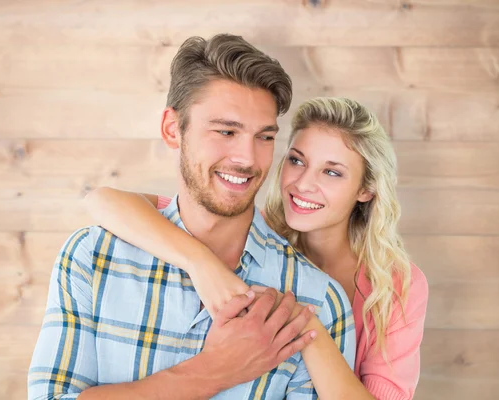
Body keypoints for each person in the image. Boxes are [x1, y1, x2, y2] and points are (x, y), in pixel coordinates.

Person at [28, 34, 355, 400]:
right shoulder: (93, 257)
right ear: (173, 129)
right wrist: (211, 372)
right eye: (226, 131)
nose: (247, 159)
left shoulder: (317, 301)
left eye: (264, 137)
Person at [85, 97, 429, 400]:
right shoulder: (247, 232)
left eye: (332, 173)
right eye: (297, 161)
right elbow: (102, 201)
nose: (304, 184)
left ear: (366, 190)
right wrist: (201, 263)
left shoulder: (395, 287)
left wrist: (306, 323)